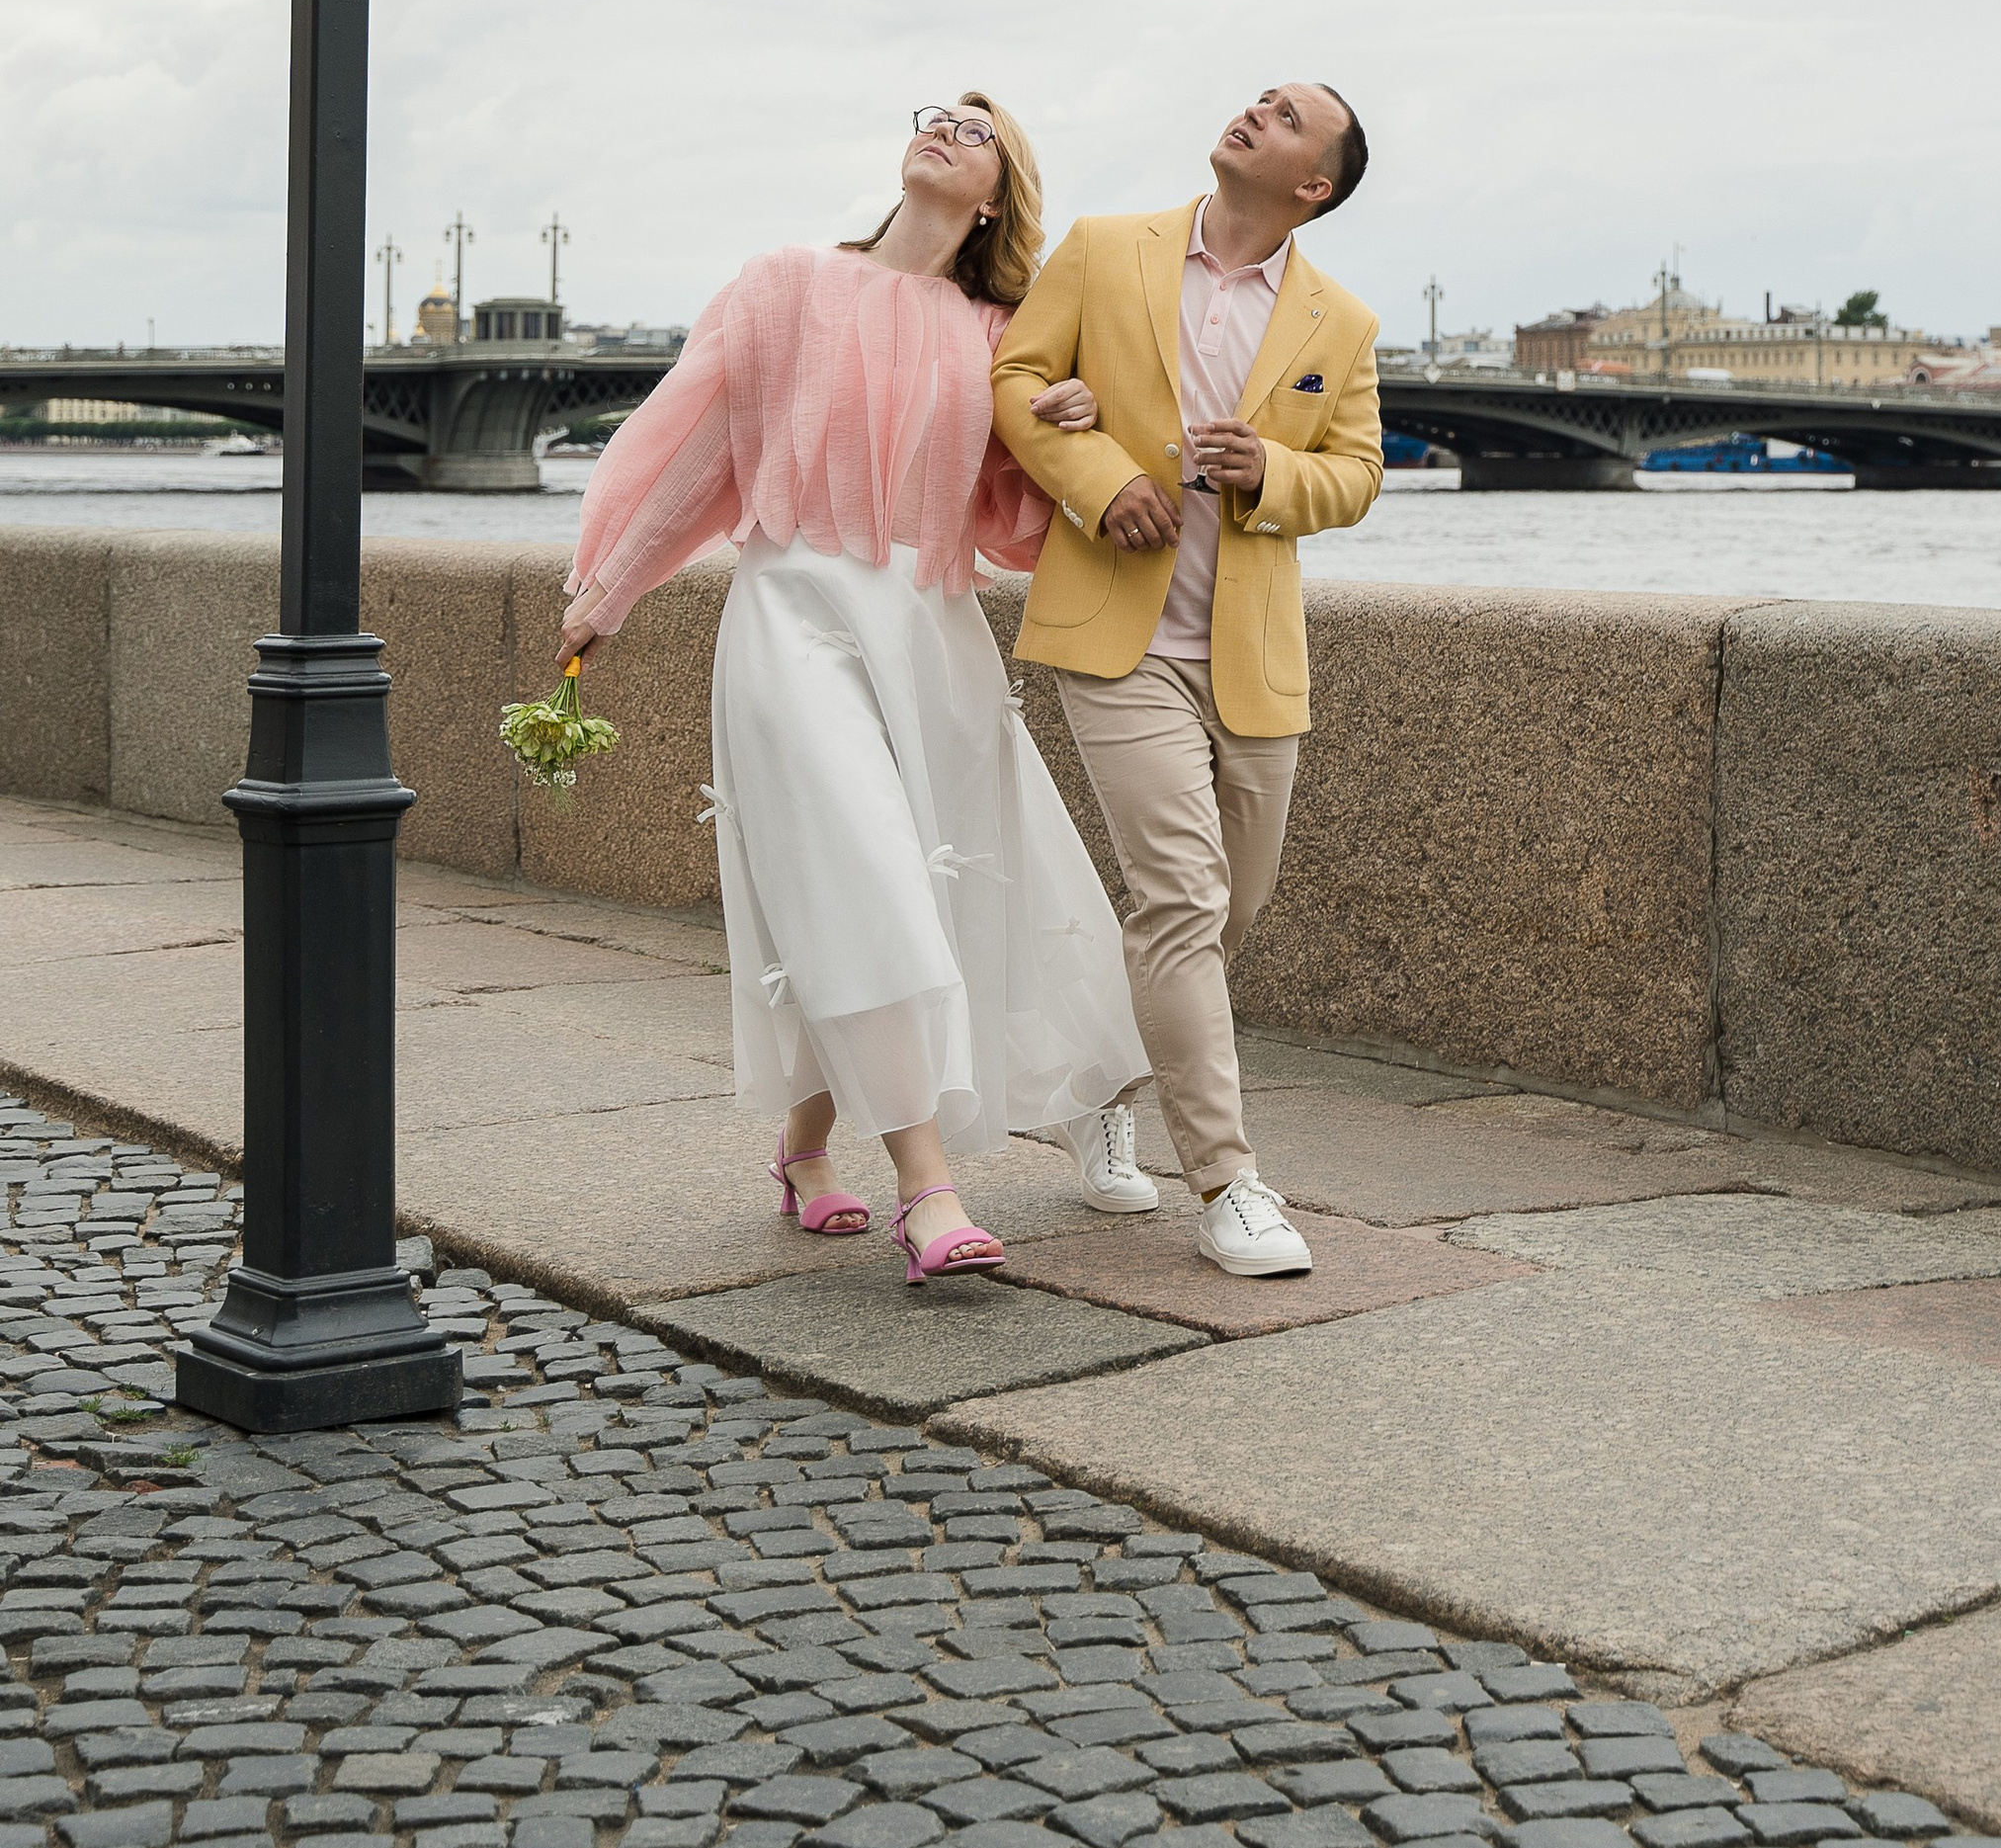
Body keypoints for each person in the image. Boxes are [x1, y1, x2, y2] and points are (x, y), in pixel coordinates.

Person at [555, 95, 1152, 1286]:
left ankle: (805, 1145)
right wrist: (605, 589)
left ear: (995, 196)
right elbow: (693, 454)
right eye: (934, 113)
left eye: (974, 130)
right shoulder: (781, 284)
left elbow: (1018, 528)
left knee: (891, 895)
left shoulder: (997, 336)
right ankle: (928, 1190)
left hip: (931, 633)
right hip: (792, 616)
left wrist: (1069, 421)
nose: (943, 128)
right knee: (870, 878)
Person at [992, 82, 1381, 1277]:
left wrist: (1269, 466)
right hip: (1118, 642)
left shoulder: (1341, 322)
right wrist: (1098, 473)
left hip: (1253, 660)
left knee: (1221, 914)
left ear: (1312, 186)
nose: (1254, 111)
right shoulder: (1108, 250)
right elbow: (1015, 379)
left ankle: (1093, 1090)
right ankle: (1229, 1184)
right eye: (1257, 98)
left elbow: (1357, 476)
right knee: (1179, 900)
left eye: (1286, 117)